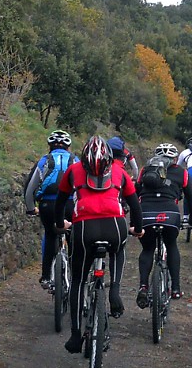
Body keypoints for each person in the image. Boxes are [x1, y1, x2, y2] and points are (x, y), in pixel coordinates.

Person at [54, 136, 143, 354]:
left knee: (78, 280)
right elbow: (134, 204)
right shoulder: (120, 172)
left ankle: (76, 335)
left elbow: (60, 202)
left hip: (84, 228)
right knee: (119, 249)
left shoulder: (73, 171)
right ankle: (114, 291)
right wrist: (137, 228)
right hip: (115, 225)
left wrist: (59, 224)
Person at [134, 143, 192, 308]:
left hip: (146, 213)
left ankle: (143, 286)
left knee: (148, 249)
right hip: (170, 214)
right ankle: (176, 288)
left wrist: (134, 220)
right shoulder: (182, 172)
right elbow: (191, 198)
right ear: (175, 159)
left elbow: (135, 193)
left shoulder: (145, 170)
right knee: (171, 245)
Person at [24, 130, 77, 290]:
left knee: (50, 234)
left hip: (48, 205)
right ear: (68, 147)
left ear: (50, 146)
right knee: (74, 237)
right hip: (69, 205)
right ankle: (76, 275)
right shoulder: (75, 161)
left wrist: (31, 208)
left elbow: (29, 188)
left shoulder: (44, 161)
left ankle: (46, 277)